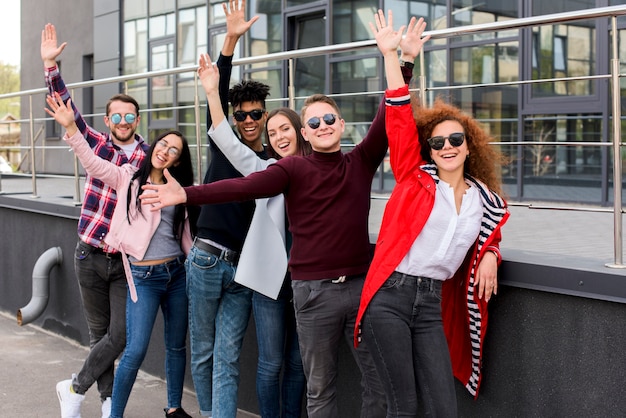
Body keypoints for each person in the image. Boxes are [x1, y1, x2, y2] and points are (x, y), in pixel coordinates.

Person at [139, 15, 424, 416]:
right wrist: (184, 193)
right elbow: (240, 185)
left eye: (329, 118)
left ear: (341, 124)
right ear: (304, 133)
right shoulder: (290, 170)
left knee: (375, 384)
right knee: (318, 387)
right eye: (314, 122)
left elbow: (389, 116)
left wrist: (398, 60)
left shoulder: (360, 161)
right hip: (311, 291)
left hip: (360, 288)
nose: (322, 125)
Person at [354, 10, 510, 417]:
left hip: (430, 306)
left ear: (469, 145)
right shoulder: (415, 178)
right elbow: (400, 119)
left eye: (455, 139)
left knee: (445, 408)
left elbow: (489, 233)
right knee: (403, 407)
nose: (447, 147)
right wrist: (393, 58)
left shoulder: (484, 200)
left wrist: (492, 252)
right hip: (390, 297)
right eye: (438, 142)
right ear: (430, 150)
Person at [46, 92, 197, 418]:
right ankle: (103, 405)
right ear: (152, 147)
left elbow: (186, 237)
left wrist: (199, 267)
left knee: (175, 345)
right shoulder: (127, 176)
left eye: (174, 150)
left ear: (178, 160)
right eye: (163, 144)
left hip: (176, 274)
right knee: (132, 346)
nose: (166, 151)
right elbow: (91, 161)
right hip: (140, 275)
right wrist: (72, 129)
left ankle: (173, 407)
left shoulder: (179, 190)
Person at [41, 23, 149, 418]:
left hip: (122, 263)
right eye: (116, 115)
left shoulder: (148, 156)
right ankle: (106, 405)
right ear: (107, 120)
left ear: (138, 120)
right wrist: (52, 68)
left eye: (130, 115)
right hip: (88, 253)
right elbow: (65, 108)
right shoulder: (97, 143)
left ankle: (73, 386)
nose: (123, 120)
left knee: (119, 336)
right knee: (98, 335)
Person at [198, 46, 308, 417]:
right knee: (265, 363)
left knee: (297, 365)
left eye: (281, 127)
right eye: (242, 114)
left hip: (308, 279)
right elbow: (225, 139)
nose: (276, 134)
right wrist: (215, 86)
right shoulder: (264, 167)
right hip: (257, 276)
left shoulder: (312, 169)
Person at [184, 1, 271, 416]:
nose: (248, 120)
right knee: (202, 352)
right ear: (233, 119)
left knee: (228, 355)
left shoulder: (273, 161)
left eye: (255, 113)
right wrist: (231, 39)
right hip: (205, 258)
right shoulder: (223, 141)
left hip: (242, 269)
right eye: (242, 115)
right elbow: (214, 92)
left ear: (265, 115)